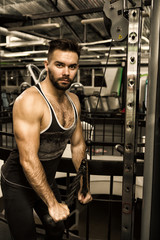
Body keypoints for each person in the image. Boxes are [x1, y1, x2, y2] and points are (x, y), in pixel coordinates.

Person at [1, 38, 92, 240]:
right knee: (25, 236)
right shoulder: (30, 101)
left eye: (72, 66)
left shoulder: (74, 101)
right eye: (59, 65)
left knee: (57, 230)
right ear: (47, 65)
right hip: (18, 184)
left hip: (46, 180)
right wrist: (52, 204)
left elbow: (78, 145)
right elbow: (28, 159)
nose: (66, 72)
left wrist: (84, 184)